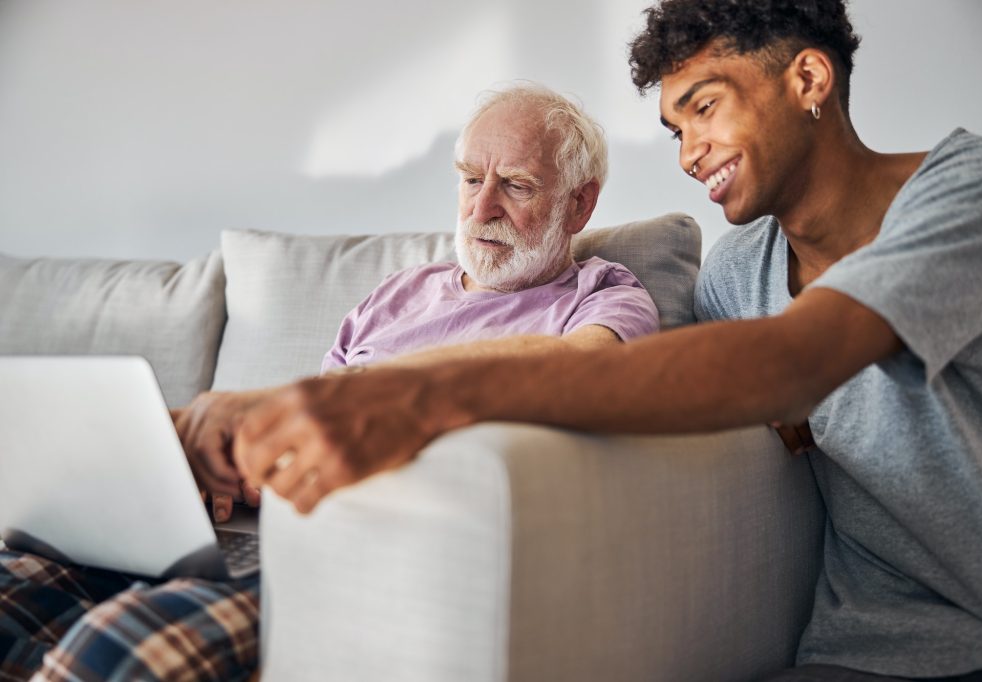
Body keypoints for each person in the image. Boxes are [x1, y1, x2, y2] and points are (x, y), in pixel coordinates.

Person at [222, 1, 982, 680]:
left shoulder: (973, 190)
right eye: (675, 129)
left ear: (808, 80)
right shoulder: (736, 273)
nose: (688, 155)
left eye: (705, 108)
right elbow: (714, 394)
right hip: (854, 644)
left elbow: (793, 362)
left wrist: (423, 390)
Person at [0, 84, 660, 681]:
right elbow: (310, 424)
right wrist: (233, 468)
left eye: (515, 184)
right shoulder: (402, 292)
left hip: (359, 552)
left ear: (580, 203)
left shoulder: (602, 295)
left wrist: (345, 396)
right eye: (468, 179)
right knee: (16, 588)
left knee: (114, 652)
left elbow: (592, 367)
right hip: (267, 523)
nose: (481, 207)